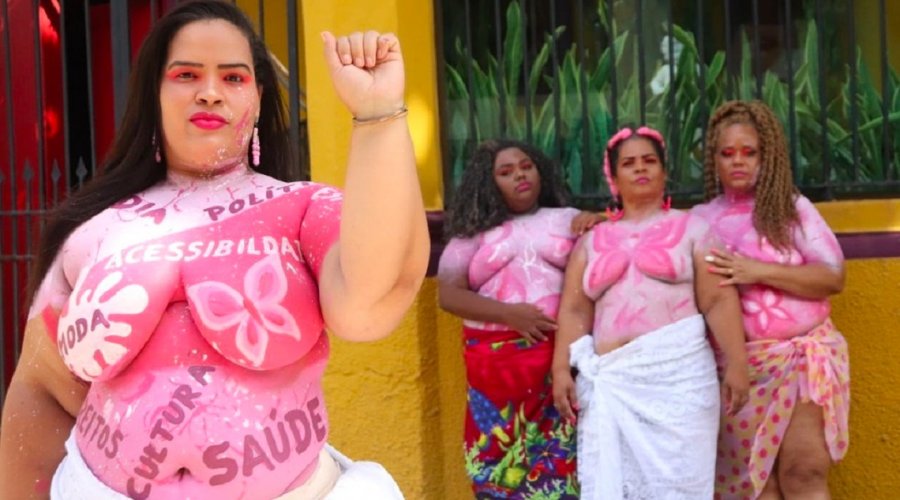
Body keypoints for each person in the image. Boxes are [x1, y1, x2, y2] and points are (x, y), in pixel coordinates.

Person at [0, 1, 428, 499]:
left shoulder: (303, 209)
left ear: (259, 97)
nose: (209, 93)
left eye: (233, 78)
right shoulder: (94, 228)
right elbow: (41, 390)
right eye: (186, 75)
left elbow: (368, 305)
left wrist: (377, 114)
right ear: (153, 96)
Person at [551, 126, 750, 499]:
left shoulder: (693, 228)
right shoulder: (592, 240)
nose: (640, 169)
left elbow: (718, 300)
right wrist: (561, 368)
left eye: (649, 161)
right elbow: (575, 309)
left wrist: (737, 362)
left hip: (680, 380)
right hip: (614, 382)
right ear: (614, 176)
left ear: (664, 170)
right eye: (629, 163)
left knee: (681, 484)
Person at [692, 100, 849, 500]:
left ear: (768, 155)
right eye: (727, 154)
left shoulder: (791, 210)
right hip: (738, 368)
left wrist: (755, 270)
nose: (738, 162)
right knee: (756, 488)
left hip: (800, 361)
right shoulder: (699, 220)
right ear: (713, 159)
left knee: (804, 470)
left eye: (750, 152)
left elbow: (833, 276)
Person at [437, 139, 600, 499]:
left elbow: (608, 252)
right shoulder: (471, 235)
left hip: (557, 364)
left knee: (562, 461)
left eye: (525, 166)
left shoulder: (567, 219)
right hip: (496, 372)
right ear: (489, 182)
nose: (519, 176)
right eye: (505, 172)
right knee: (499, 462)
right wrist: (509, 315)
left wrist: (596, 222)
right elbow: (448, 295)